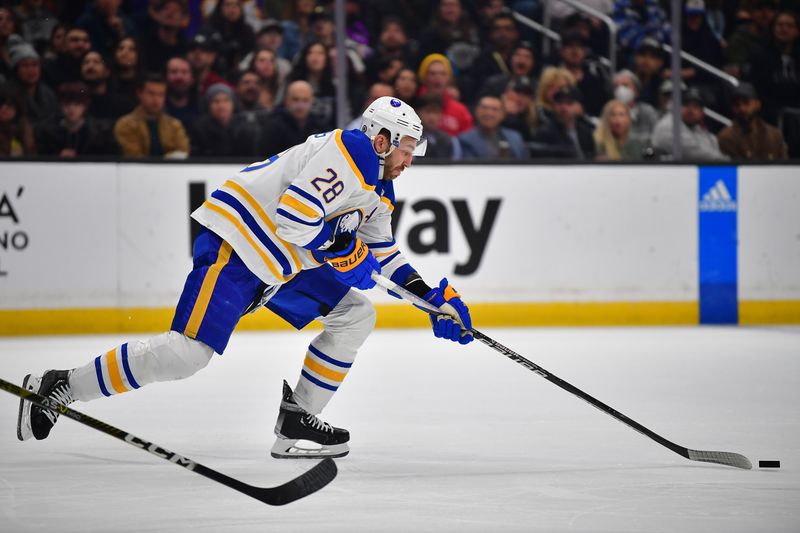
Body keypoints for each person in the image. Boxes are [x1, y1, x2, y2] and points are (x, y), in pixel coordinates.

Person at [17, 95, 474, 462]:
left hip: (279, 264)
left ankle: (298, 418)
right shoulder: (350, 149)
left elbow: (383, 253)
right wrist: (342, 251)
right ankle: (58, 384)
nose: (410, 159)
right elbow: (295, 216)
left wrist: (432, 298)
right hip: (238, 246)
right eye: (408, 148)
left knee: (355, 314)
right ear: (381, 139)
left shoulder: (379, 186)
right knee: (187, 354)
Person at [113, 73, 189, 158]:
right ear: (139, 94)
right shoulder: (125, 124)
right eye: (151, 93)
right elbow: (133, 156)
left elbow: (183, 152)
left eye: (161, 94)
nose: (156, 99)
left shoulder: (174, 125)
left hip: (170, 170)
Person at [35, 81, 119, 157]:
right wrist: (57, 156)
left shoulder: (101, 132)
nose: (71, 109)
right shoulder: (47, 132)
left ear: (85, 105)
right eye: (66, 104)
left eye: (77, 104)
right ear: (60, 105)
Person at [650, 87, 727, 160]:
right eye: (686, 105)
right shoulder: (667, 125)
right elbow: (693, 154)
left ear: (702, 112)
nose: (690, 110)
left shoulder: (697, 129)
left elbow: (712, 148)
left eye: (696, 106)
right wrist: (726, 162)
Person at [717, 82, 787, 160]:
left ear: (757, 104)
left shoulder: (775, 135)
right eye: (737, 105)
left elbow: (785, 166)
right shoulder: (726, 137)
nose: (742, 108)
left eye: (746, 103)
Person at [189, 82, 260, 157]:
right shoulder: (198, 128)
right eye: (216, 101)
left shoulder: (245, 128)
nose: (221, 106)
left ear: (233, 103)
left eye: (226, 100)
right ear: (208, 105)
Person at [259, 80, 328, 156]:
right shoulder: (272, 127)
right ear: (286, 100)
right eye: (295, 99)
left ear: (312, 102)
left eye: (305, 100)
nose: (300, 105)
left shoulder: (321, 127)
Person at [531, 85, 596, 159]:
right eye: (559, 103)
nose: (563, 108)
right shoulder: (545, 133)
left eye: (569, 103)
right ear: (553, 106)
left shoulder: (586, 131)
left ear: (578, 106)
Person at [417, 53, 473, 136]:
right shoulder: (413, 103)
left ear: (449, 78)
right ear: (424, 76)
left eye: (442, 74)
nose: (437, 78)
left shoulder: (460, 110)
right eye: (432, 73)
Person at [458, 94, 527, 160]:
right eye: (484, 108)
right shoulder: (465, 140)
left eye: (495, 109)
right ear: (476, 111)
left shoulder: (515, 137)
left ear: (503, 115)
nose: (489, 113)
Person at [611, 69, 658, 141]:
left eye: (625, 85)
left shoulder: (647, 112)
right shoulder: (608, 112)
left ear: (636, 91)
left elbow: (656, 138)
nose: (620, 89)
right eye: (616, 86)